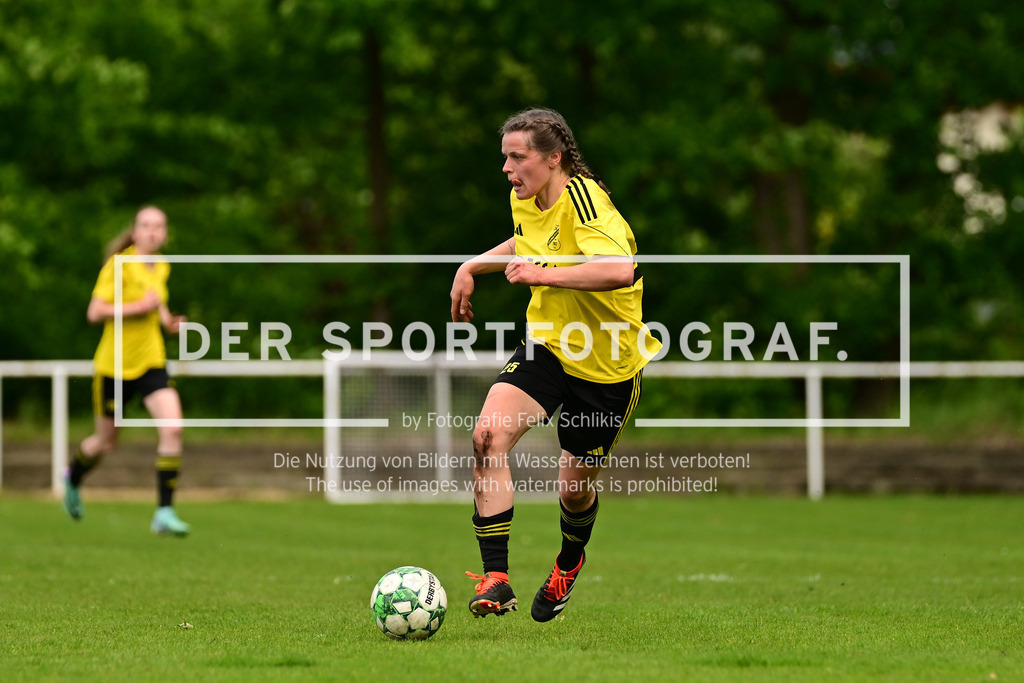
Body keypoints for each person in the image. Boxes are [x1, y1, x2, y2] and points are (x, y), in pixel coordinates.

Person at [450, 108, 661, 621]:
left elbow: (618, 269)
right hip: (549, 346)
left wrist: (543, 275)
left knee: (572, 489)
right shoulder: (524, 197)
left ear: (553, 158)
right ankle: (496, 579)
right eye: (505, 158)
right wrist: (473, 264)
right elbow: (528, 242)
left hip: (607, 366)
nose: (507, 168)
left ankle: (568, 562)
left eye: (517, 158)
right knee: (486, 437)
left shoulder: (587, 202)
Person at [64, 205, 191, 536]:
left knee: (173, 428)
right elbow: (95, 312)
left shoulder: (161, 266)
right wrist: (138, 308)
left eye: (159, 226)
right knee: (106, 444)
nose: (152, 231)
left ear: (165, 234)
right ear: (135, 232)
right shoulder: (119, 266)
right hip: (114, 367)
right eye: (146, 225)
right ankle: (73, 476)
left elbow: (156, 300)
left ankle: (164, 512)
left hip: (151, 361)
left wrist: (168, 322)